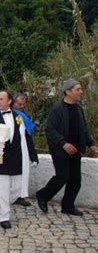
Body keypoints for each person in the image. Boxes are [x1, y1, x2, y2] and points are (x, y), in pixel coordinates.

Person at [0, 91, 38, 229]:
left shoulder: (20, 117)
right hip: (0, 158)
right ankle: (4, 215)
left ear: (10, 101)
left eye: (1, 99)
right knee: (2, 188)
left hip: (17, 156)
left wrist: (33, 155)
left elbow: (27, 136)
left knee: (17, 187)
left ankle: (2, 203)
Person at [36, 79, 97, 216]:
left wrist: (91, 145)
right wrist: (63, 143)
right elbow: (50, 130)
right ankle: (43, 196)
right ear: (68, 92)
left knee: (75, 180)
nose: (81, 92)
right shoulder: (57, 108)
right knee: (62, 176)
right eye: (78, 89)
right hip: (60, 150)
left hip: (76, 150)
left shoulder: (79, 109)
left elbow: (84, 130)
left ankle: (67, 206)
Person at [12, 93, 33, 207]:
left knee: (22, 173)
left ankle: (19, 195)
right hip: (13, 149)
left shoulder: (23, 116)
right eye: (19, 104)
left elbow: (28, 135)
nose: (21, 106)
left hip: (23, 148)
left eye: (23, 104)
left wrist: (32, 153)